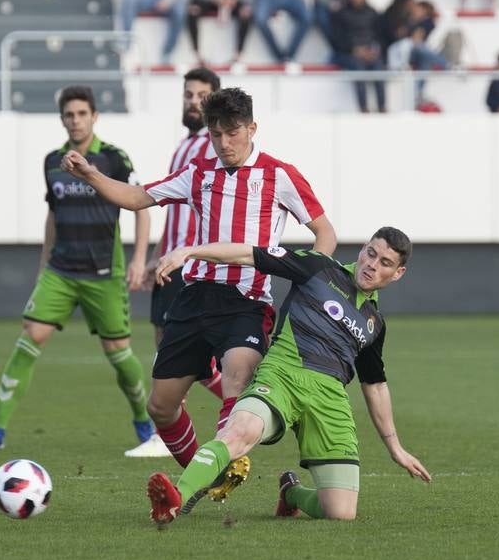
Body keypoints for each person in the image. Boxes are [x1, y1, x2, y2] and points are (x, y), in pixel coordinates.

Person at [60, 87, 336, 474]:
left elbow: (325, 232)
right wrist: (91, 174)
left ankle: (214, 472)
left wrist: (310, 283)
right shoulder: (198, 174)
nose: (224, 143)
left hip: (246, 300)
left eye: (233, 133)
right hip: (195, 298)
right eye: (215, 134)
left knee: (235, 389)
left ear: (252, 128)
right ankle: (207, 476)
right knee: (160, 406)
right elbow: (138, 197)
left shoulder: (280, 175)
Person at [146, 228, 430, 523]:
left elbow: (375, 386)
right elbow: (249, 253)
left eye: (385, 262)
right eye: (371, 253)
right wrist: (189, 251)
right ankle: (175, 498)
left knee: (341, 512)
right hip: (282, 376)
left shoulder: (374, 323)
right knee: (239, 432)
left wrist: (395, 448)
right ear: (362, 250)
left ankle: (291, 493)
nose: (372, 264)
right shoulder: (319, 268)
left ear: (398, 273)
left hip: (329, 397)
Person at [0, 86, 155, 453]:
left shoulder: (115, 159)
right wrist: (43, 265)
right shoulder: (52, 160)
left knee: (118, 352)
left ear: (95, 116)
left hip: (104, 272)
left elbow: (142, 207)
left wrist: (137, 259)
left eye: (82, 113)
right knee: (31, 334)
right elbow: (53, 214)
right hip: (61, 271)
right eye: (69, 115)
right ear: (62, 119)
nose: (76, 120)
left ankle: (143, 422)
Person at [126, 68, 226, 458]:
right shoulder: (185, 145)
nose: (192, 101)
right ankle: (249, 402)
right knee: (178, 352)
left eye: (201, 95)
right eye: (188, 94)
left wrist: (189, 253)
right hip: (171, 257)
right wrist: (155, 256)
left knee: (173, 349)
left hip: (191, 263)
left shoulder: (213, 145)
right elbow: (172, 206)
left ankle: (162, 432)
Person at [331, 0, 384, 112]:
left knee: (379, 66)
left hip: (370, 51)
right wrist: (354, 50)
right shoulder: (341, 14)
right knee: (358, 67)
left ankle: (382, 107)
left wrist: (374, 50)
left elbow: (380, 36)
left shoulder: (372, 13)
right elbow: (337, 39)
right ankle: (363, 109)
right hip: (348, 53)